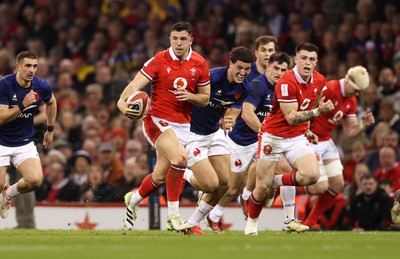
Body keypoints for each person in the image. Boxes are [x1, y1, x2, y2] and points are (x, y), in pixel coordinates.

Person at [117, 21, 210, 231]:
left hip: (185, 126)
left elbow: (205, 99)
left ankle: (132, 200)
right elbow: (134, 85)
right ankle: (173, 216)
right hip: (157, 120)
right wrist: (121, 103)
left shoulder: (200, 63)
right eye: (175, 38)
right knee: (180, 159)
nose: (178, 43)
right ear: (170, 39)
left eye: (183, 39)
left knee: (160, 176)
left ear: (191, 40)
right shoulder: (159, 59)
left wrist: (191, 96)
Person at [207, 52, 308, 233]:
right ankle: (215, 214)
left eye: (283, 70)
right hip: (242, 141)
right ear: (267, 67)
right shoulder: (258, 86)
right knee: (232, 187)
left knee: (285, 169)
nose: (278, 73)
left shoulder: (286, 88)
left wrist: (305, 130)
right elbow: (247, 114)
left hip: (264, 140)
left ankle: (289, 219)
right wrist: (265, 132)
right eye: (275, 68)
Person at [245, 43, 334, 235]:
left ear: (316, 62)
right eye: (303, 58)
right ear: (296, 59)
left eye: (311, 59)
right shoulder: (286, 81)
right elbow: (292, 116)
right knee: (261, 187)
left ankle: (275, 182)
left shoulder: (319, 80)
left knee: (312, 175)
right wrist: (318, 112)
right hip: (273, 135)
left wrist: (308, 129)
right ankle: (251, 222)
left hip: (296, 136)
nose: (307, 63)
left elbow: (308, 105)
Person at [176, 46, 254, 235]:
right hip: (192, 133)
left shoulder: (244, 89)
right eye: (239, 67)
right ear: (230, 64)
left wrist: (231, 119)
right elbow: (186, 96)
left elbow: (234, 111)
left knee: (225, 184)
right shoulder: (211, 77)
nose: (243, 73)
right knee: (209, 185)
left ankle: (192, 224)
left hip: (214, 132)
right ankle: (183, 173)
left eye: (247, 69)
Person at [302, 66, 375, 227]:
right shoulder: (328, 88)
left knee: (337, 185)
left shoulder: (351, 100)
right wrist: (305, 131)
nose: (356, 94)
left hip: (327, 141)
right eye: (355, 90)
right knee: (318, 188)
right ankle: (284, 181)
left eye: (359, 92)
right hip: (310, 139)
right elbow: (305, 109)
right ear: (347, 79)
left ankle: (309, 222)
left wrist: (363, 125)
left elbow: (350, 130)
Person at [0, 50, 57, 219]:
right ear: (18, 67)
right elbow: (1, 118)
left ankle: (9, 193)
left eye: (34, 66)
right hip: (1, 141)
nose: (31, 70)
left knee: (35, 180)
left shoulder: (41, 86)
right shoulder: (4, 85)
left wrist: (50, 129)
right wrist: (22, 106)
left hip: (24, 142)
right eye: (27, 66)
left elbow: (52, 102)